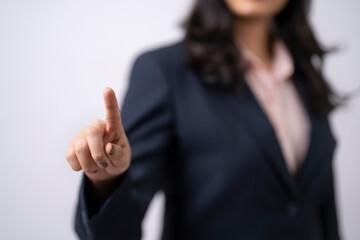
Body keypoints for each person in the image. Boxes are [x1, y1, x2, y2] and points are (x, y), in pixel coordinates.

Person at [66, 0, 342, 239]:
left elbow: (324, 217)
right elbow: (116, 234)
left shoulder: (306, 78)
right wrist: (107, 182)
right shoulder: (166, 72)